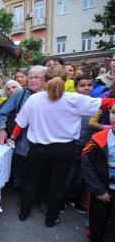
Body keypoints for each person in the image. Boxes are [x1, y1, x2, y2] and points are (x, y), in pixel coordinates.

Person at [12, 64, 115, 227]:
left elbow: (20, 123)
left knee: (32, 181)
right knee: (58, 183)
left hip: (37, 149)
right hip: (65, 149)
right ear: (66, 80)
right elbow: (105, 103)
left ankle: (24, 213)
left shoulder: (33, 99)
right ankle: (51, 219)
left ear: (44, 80)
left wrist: (12, 136)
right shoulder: (74, 99)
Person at [0, 65, 47, 189]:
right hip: (23, 142)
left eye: (37, 77)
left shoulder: (50, 94)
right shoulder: (20, 93)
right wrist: (2, 129)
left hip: (44, 142)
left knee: (41, 173)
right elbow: (2, 113)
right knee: (24, 172)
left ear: (45, 80)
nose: (33, 80)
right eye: (30, 77)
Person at [82, 104, 115, 242]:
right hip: (102, 188)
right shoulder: (99, 138)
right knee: (98, 217)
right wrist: (98, 189)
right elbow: (87, 164)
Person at [64, 73, 95, 214]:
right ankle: (62, 199)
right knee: (69, 173)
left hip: (89, 145)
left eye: (89, 85)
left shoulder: (96, 103)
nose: (86, 88)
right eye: (82, 86)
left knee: (81, 175)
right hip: (74, 144)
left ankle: (74, 198)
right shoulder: (71, 103)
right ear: (76, 88)